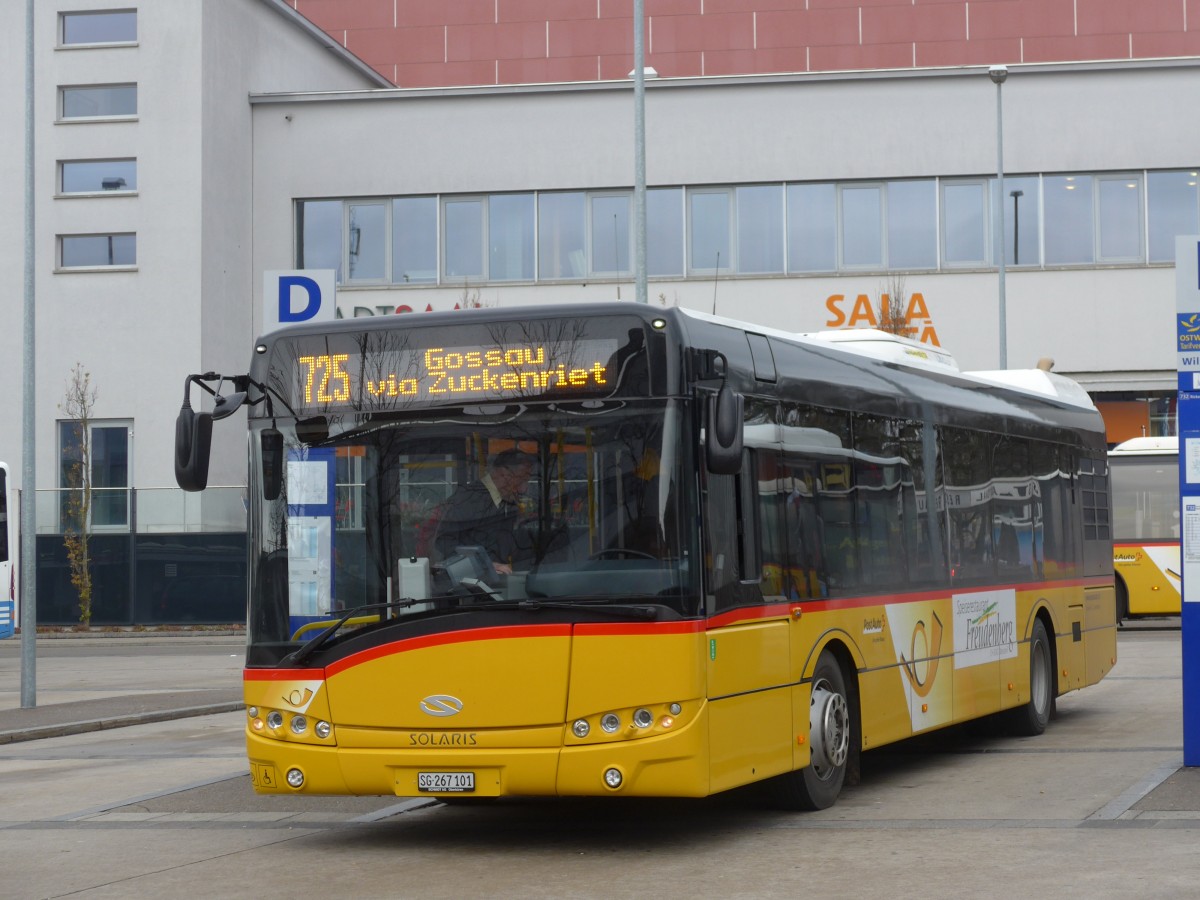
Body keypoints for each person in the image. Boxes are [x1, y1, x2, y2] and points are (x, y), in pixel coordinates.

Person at [433, 449, 534, 575]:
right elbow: (444, 543)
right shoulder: (469, 499)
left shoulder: (504, 502)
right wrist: (485, 565)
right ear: (503, 474)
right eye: (521, 479)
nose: (524, 489)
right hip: (472, 585)